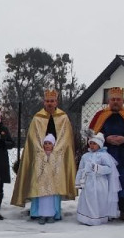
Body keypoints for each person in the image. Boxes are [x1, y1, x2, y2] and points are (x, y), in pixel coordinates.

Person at [10, 89, 76, 220]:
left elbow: (66, 138)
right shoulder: (37, 118)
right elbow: (33, 138)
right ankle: (36, 212)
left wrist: (56, 151)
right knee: (37, 182)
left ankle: (55, 212)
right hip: (40, 155)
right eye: (47, 101)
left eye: (52, 101)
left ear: (56, 102)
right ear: (44, 102)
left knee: (55, 183)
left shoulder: (63, 117)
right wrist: (41, 150)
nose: (50, 103)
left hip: (58, 156)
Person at [88, 87, 124, 223]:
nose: (115, 102)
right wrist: (105, 138)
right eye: (113, 99)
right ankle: (105, 211)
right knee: (105, 183)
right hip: (105, 155)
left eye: (118, 99)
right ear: (108, 100)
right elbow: (92, 133)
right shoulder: (100, 115)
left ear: (123, 100)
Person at [75, 133, 121, 226]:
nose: (92, 146)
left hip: (100, 182)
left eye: (94, 143)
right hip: (88, 182)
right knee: (87, 199)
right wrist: (78, 181)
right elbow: (81, 169)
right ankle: (86, 217)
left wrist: (98, 168)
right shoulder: (85, 156)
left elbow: (109, 169)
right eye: (90, 143)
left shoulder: (104, 156)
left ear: (100, 144)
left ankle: (98, 217)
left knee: (99, 199)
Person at [31, 135, 64, 224]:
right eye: (45, 143)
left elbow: (58, 168)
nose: (47, 145)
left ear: (53, 145)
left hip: (52, 182)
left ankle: (51, 215)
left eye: (49, 143)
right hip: (42, 181)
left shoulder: (56, 155)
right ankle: (41, 215)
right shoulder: (40, 155)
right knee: (42, 198)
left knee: (51, 199)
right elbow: (37, 167)